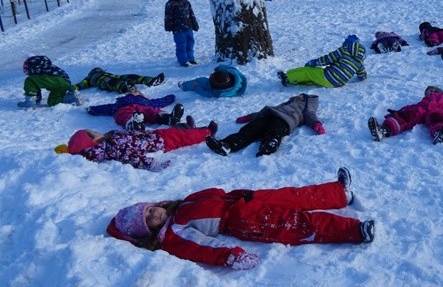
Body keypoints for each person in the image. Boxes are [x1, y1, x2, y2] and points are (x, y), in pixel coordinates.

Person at [105, 167, 375, 269]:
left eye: (149, 209)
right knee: (295, 224)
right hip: (241, 220)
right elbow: (201, 247)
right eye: (149, 220)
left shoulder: (180, 205)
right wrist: (230, 256)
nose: (154, 214)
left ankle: (338, 193)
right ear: (150, 232)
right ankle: (354, 231)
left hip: (243, 198)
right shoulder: (174, 232)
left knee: (292, 196)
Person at [55, 120, 217, 170]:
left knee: (174, 131)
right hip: (158, 142)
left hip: (150, 136)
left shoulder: (108, 140)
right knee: (181, 138)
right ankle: (206, 132)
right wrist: (153, 164)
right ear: (93, 142)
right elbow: (132, 158)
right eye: (94, 133)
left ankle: (191, 129)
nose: (97, 131)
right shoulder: (112, 147)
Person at [206, 93, 325, 157]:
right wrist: (250, 116)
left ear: (305, 99)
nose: (296, 97)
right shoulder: (287, 103)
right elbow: (274, 109)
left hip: (285, 120)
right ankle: (227, 145)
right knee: (250, 129)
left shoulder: (307, 105)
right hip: (268, 115)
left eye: (300, 97)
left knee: (275, 130)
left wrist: (316, 124)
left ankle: (270, 143)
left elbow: (310, 115)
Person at [368, 86, 443, 145]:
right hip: (421, 108)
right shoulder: (425, 99)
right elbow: (412, 107)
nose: (430, 92)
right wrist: (400, 112)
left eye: (432, 90)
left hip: (439, 110)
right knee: (408, 115)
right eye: (427, 92)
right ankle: (383, 130)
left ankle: (440, 133)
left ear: (439, 90)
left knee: (437, 118)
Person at [278, 34, 367, 88]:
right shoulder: (360, 63)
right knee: (313, 76)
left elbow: (329, 58)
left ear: (348, 44)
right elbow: (363, 76)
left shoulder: (344, 50)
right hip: (338, 83)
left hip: (329, 77)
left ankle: (287, 78)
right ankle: (290, 77)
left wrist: (315, 62)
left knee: (308, 71)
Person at [85, 89, 187, 131]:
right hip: (124, 109)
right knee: (123, 114)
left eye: (136, 91)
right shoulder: (119, 102)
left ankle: (168, 118)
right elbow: (106, 108)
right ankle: (132, 123)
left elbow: (160, 102)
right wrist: (92, 109)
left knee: (153, 111)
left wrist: (170, 97)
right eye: (132, 91)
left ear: (142, 94)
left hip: (143, 108)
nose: (134, 91)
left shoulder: (146, 101)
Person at [164, 0, 199, 67]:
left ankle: (191, 58)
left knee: (190, 44)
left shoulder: (186, 2)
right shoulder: (170, 4)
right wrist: (168, 26)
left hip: (189, 28)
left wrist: (195, 24)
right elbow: (168, 16)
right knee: (181, 45)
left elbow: (191, 14)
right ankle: (183, 61)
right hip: (178, 30)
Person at [75, 67, 165, 94]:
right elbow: (80, 85)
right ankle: (125, 87)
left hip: (115, 77)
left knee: (131, 76)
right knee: (112, 82)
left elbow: (115, 76)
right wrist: (73, 88)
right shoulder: (90, 79)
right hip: (102, 82)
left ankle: (150, 80)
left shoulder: (106, 73)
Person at [180, 65, 247, 98]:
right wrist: (219, 67)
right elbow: (228, 67)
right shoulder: (234, 74)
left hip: (214, 86)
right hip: (220, 83)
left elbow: (206, 94)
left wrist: (196, 88)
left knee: (201, 81)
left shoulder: (218, 93)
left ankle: (184, 86)